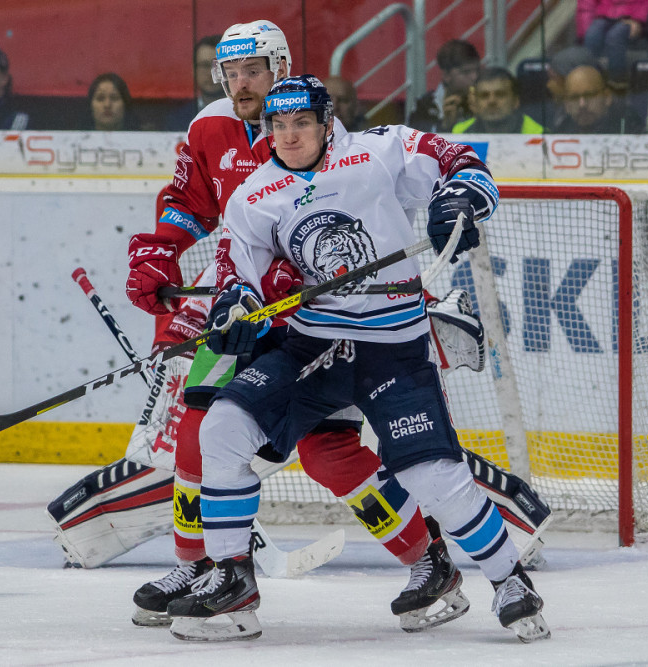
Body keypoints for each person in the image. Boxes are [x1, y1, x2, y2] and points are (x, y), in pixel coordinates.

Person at [165, 75, 549, 644]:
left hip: (391, 347)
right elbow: (236, 274)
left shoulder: (379, 150)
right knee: (221, 429)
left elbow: (462, 161)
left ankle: (509, 580)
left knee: (431, 475)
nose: (289, 136)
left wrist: (462, 198)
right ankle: (233, 580)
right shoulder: (254, 194)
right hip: (313, 345)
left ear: (326, 123)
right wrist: (236, 310)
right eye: (278, 125)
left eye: (301, 123)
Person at [124, 20, 462, 634]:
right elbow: (190, 204)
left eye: (252, 70)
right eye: (230, 73)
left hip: (324, 322)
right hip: (247, 313)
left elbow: (352, 218)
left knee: (329, 452)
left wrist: (296, 273)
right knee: (200, 425)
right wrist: (159, 250)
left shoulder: (314, 128)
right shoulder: (209, 127)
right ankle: (200, 567)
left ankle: (427, 559)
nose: (240, 84)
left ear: (279, 68)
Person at [411, 39, 481, 132]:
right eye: (466, 72)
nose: (474, 77)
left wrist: (481, 118)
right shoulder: (424, 105)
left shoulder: (484, 99)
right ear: (446, 75)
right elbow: (415, 138)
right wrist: (445, 126)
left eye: (477, 70)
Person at [578, 0, 648, 83]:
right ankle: (590, 80)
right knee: (592, 35)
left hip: (633, 16)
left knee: (615, 37)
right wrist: (584, 33)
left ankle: (617, 81)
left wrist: (638, 20)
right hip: (605, 13)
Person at [552, 64, 644, 133]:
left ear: (607, 97)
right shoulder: (560, 131)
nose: (582, 104)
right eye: (574, 98)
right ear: (567, 105)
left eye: (589, 96)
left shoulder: (629, 127)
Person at [451, 67, 545, 134]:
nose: (492, 101)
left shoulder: (539, 135)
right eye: (484, 96)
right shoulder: (460, 134)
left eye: (500, 94)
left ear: (516, 101)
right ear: (475, 102)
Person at [164, 35, 229, 130]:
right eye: (204, 65)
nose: (210, 73)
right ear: (194, 70)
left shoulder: (244, 113)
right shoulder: (178, 119)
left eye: (217, 66)